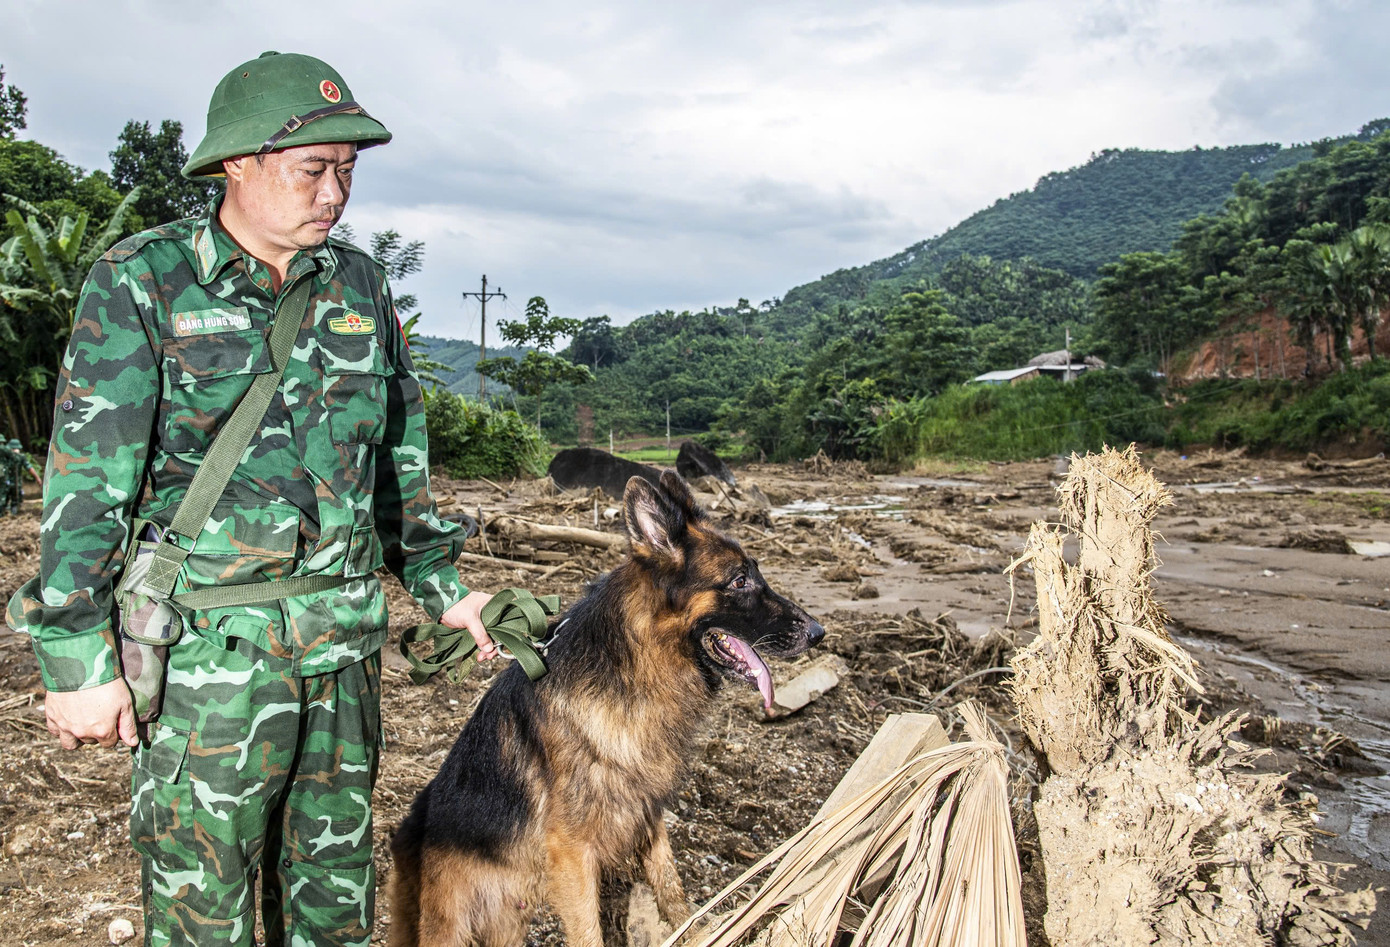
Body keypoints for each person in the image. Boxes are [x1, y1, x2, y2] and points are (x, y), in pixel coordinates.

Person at [7, 51, 497, 947]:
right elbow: (86, 485)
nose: (335, 194)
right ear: (237, 164)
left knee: (333, 909)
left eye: (348, 170)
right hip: (208, 666)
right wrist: (77, 657)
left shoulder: (359, 285)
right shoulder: (144, 281)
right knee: (205, 916)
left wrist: (441, 583)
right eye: (313, 169)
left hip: (343, 655)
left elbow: (394, 452)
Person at [5, 438, 38, 514]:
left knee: (9, 500)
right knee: (15, 501)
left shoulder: (7, 457)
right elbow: (29, 468)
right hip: (13, 483)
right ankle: (13, 512)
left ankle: (10, 512)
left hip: (8, 483)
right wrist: (37, 478)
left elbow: (29, 468)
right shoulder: (19, 457)